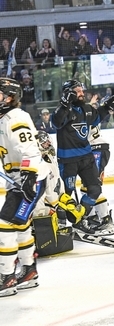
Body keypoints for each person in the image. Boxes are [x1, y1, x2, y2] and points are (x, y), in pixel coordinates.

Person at [51, 80, 114, 234]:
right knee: (66, 194)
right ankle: (59, 221)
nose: (82, 93)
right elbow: (56, 122)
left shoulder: (86, 109)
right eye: (78, 91)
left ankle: (80, 218)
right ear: (68, 93)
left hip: (87, 157)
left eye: (82, 90)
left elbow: (97, 117)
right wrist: (64, 104)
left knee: (95, 189)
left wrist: (109, 106)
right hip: (68, 160)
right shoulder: (63, 110)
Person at [0, 78, 45, 297]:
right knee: (21, 226)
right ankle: (28, 271)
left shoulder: (16, 118)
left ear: (9, 97)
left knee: (5, 224)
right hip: (18, 180)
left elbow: (30, 150)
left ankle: (6, 276)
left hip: (29, 179)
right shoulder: (3, 119)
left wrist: (28, 176)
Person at [32, 131, 84, 257]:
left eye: (48, 141)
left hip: (52, 208)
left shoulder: (50, 161)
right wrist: (46, 210)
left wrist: (68, 201)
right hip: (41, 211)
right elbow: (36, 195)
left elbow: (56, 187)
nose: (48, 144)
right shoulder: (36, 166)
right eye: (44, 142)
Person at [79, 125, 114, 235]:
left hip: (95, 148)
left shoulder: (78, 112)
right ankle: (93, 218)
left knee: (93, 187)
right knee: (86, 186)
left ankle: (106, 220)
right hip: (91, 149)